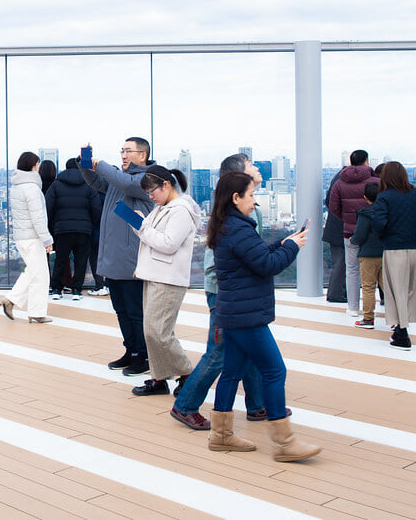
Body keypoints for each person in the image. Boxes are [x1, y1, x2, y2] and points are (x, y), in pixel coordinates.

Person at [208, 171, 319, 461]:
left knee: (231, 372)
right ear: (236, 198)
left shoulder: (228, 226)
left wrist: (283, 243)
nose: (254, 201)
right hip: (246, 316)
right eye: (251, 195)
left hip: (234, 312)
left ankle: (221, 436)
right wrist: (292, 248)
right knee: (274, 371)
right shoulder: (239, 228)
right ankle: (284, 443)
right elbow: (267, 265)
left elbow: (256, 257)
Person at [170, 153, 284, 430]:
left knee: (248, 351)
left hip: (235, 295)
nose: (257, 168)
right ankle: (185, 405)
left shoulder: (246, 206)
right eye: (251, 166)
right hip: (226, 295)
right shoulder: (229, 215)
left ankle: (257, 406)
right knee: (219, 353)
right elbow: (216, 264)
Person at [81, 137, 155, 376]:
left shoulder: (147, 179)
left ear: (142, 155)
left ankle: (144, 355)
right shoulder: (118, 180)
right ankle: (131, 350)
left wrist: (101, 163)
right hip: (113, 257)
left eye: (128, 151)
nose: (123, 155)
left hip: (132, 259)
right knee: (121, 311)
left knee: (136, 311)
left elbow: (126, 183)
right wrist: (85, 165)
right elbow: (96, 181)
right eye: (121, 151)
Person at [130, 166, 200, 396]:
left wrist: (141, 227)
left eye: (152, 191)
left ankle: (188, 374)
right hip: (155, 274)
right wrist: (141, 223)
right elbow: (149, 231)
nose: (150, 196)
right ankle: (159, 377)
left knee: (159, 332)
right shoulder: (164, 207)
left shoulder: (180, 211)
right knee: (151, 331)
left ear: (166, 185)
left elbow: (169, 244)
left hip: (168, 278)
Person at [371, 161, 416, 351]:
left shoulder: (384, 197)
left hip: (393, 249)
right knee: (410, 291)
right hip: (414, 249)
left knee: (394, 291)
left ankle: (402, 333)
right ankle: (402, 329)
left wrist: (385, 236)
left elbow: (379, 223)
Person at [0, 152, 55, 323]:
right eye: (37, 165)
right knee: (41, 275)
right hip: (33, 238)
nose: (38, 168)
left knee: (32, 271)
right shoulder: (31, 188)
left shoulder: (16, 186)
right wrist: (47, 240)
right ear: (33, 166)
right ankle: (36, 313)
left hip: (21, 236)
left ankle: (11, 300)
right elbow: (37, 218)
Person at [327, 149, 377, 317]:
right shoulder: (375, 180)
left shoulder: (340, 180)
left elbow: (331, 204)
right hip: (372, 232)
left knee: (351, 269)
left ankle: (353, 307)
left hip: (349, 230)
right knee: (376, 270)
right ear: (366, 161)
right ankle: (374, 307)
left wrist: (346, 218)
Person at [45, 158, 101, 301]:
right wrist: (92, 223)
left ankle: (57, 289)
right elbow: (96, 208)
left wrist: (53, 225)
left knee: (61, 260)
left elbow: (48, 207)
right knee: (81, 260)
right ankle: (76, 290)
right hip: (83, 229)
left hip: (62, 229)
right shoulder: (89, 184)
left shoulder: (57, 184)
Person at [349, 182, 383, 329]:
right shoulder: (386, 211)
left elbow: (360, 235)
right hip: (386, 253)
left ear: (365, 197)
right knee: (388, 288)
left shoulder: (365, 213)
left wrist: (353, 240)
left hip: (368, 254)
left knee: (369, 287)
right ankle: (396, 321)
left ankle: (368, 319)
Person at [322, 171, 346, 304]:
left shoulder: (338, 178)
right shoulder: (363, 181)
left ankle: (338, 292)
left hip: (334, 226)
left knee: (340, 262)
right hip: (347, 227)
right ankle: (336, 293)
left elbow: (328, 201)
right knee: (344, 263)